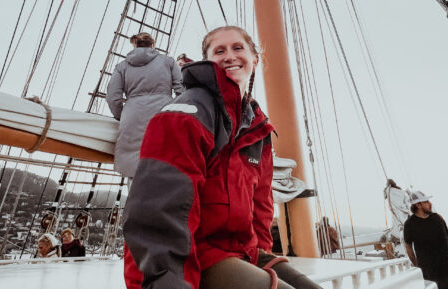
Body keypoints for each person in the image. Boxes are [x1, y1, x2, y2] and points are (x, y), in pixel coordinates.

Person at [123, 26, 322, 289]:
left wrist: (259, 252)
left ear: (255, 59)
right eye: (219, 51)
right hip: (198, 253)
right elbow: (156, 211)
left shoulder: (257, 127)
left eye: (238, 48)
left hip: (244, 250)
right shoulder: (187, 114)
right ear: (207, 60)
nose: (229, 56)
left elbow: (259, 205)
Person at [106, 32, 184, 178]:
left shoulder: (121, 67)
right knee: (164, 162)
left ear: (134, 45)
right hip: (163, 114)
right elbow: (182, 90)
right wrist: (175, 110)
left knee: (133, 169)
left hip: (132, 117)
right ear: (152, 45)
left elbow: (113, 98)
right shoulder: (168, 62)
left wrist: (120, 116)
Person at [404, 191, 448, 289]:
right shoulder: (409, 224)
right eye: (426, 201)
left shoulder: (438, 218)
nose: (430, 203)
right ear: (418, 205)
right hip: (430, 271)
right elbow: (408, 247)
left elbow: (447, 241)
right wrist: (417, 265)